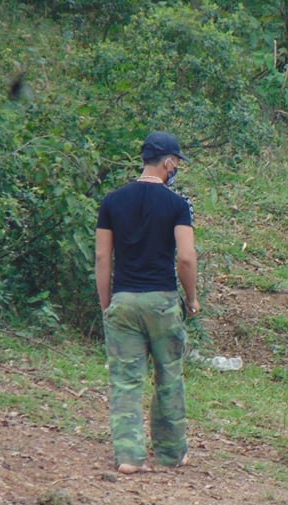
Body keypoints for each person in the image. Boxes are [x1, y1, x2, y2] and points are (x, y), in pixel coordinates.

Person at [95, 131, 200, 474]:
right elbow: (186, 258)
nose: (177, 168)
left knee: (125, 380)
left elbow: (102, 258)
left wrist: (107, 303)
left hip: (124, 300)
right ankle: (171, 454)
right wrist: (192, 298)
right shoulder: (177, 205)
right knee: (169, 376)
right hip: (162, 302)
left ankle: (129, 456)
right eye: (176, 162)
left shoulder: (112, 201)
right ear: (168, 162)